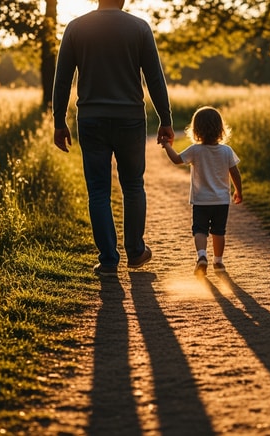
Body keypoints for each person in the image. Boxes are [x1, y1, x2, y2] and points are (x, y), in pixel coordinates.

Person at [52, 0, 174, 277]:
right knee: (133, 186)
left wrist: (59, 122)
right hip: (130, 118)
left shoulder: (75, 27)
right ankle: (135, 252)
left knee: (98, 191)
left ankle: (108, 261)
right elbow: (155, 78)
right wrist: (165, 119)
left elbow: (62, 80)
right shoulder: (139, 27)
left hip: (91, 119)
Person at [160, 106, 243, 276]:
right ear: (220, 128)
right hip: (221, 201)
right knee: (219, 232)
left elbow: (176, 160)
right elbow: (235, 172)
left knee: (200, 230)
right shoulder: (226, 151)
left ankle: (202, 256)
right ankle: (218, 262)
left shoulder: (195, 150)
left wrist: (167, 145)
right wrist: (238, 191)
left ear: (196, 129)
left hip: (200, 201)